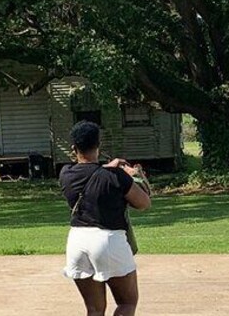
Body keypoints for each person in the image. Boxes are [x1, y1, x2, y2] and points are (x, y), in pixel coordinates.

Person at [60, 121, 152, 316]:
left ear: (73, 148)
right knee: (126, 303)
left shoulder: (65, 174)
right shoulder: (115, 176)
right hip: (108, 240)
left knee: (94, 309)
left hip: (77, 240)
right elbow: (143, 203)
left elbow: (90, 173)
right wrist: (134, 176)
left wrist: (111, 167)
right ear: (98, 145)